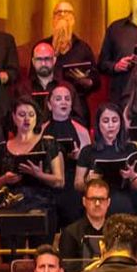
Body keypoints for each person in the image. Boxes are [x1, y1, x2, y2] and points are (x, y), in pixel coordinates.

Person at [0, 98, 65, 244]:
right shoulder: (1, 149)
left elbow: (60, 182)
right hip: (11, 212)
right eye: (22, 114)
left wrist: (39, 175)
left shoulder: (48, 143)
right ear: (14, 117)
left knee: (41, 255)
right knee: (11, 259)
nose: (27, 119)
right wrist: (4, 179)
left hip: (42, 210)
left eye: (31, 114)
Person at [75, 103, 137, 218]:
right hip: (96, 206)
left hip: (123, 204)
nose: (111, 125)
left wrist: (132, 175)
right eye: (105, 121)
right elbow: (78, 185)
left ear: (120, 123)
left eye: (114, 120)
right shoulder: (88, 151)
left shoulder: (130, 149)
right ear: (98, 124)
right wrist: (88, 180)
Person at [40, 82, 92, 227]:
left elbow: (89, 163)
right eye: (58, 99)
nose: (64, 102)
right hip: (48, 186)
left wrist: (78, 157)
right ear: (50, 105)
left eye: (67, 98)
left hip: (72, 186)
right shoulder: (41, 130)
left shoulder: (81, 130)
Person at [38, 0, 98, 116]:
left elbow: (96, 80)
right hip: (48, 108)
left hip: (76, 108)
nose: (62, 15)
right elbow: (33, 78)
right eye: (58, 12)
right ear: (53, 20)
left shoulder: (83, 48)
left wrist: (86, 81)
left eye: (67, 12)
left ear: (73, 20)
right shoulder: (42, 47)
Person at [58, 177, 112, 267]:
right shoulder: (70, 233)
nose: (97, 204)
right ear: (84, 201)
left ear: (108, 202)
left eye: (102, 199)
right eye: (93, 199)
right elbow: (66, 268)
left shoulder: (116, 232)